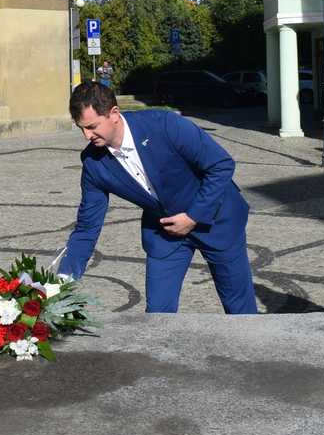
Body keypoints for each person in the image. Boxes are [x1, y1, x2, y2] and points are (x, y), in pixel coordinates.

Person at [60, 81, 257, 313]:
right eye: (81, 128)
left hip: (217, 219)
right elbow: (87, 227)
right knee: (157, 316)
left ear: (114, 113)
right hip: (165, 233)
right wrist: (62, 283)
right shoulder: (94, 163)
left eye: (92, 126)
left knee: (240, 311)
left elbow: (221, 165)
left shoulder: (165, 125)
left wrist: (194, 216)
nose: (86, 135)